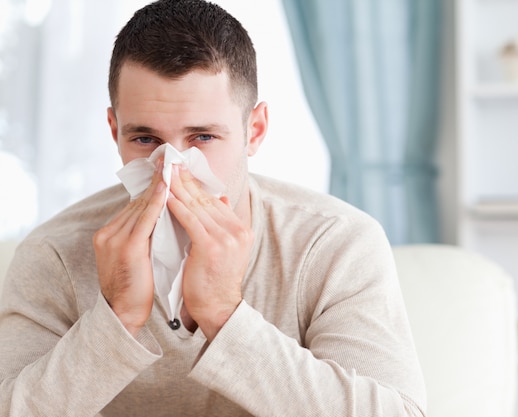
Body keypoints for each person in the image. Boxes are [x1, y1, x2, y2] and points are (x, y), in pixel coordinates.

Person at [0, 1, 426, 416]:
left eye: (203, 137)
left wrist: (225, 315)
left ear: (254, 131)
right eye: (145, 139)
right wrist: (117, 317)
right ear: (115, 131)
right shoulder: (54, 254)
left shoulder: (334, 244)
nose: (171, 169)